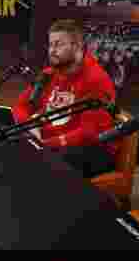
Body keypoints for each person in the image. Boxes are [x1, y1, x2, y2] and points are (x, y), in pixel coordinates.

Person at [12, 19, 119, 179]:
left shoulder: (95, 79)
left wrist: (44, 144)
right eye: (50, 45)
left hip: (92, 150)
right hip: (54, 141)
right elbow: (19, 107)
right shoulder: (49, 74)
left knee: (39, 166)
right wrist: (29, 126)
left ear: (77, 47)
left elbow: (87, 134)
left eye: (58, 45)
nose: (52, 51)